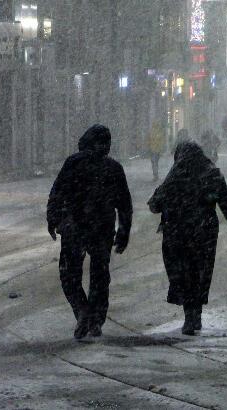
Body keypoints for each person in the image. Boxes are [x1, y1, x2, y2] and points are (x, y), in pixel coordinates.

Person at [148, 141, 227, 335]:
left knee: (182, 273)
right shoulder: (211, 173)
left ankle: (190, 316)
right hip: (204, 233)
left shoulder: (176, 173)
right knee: (199, 273)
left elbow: (155, 204)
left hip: (178, 233)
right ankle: (195, 315)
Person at [47, 124, 133, 339]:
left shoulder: (74, 163)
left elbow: (57, 192)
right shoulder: (113, 168)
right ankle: (95, 319)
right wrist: (124, 230)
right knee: (100, 275)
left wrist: (53, 218)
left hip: (75, 226)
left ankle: (82, 310)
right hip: (102, 228)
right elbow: (124, 203)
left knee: (69, 274)